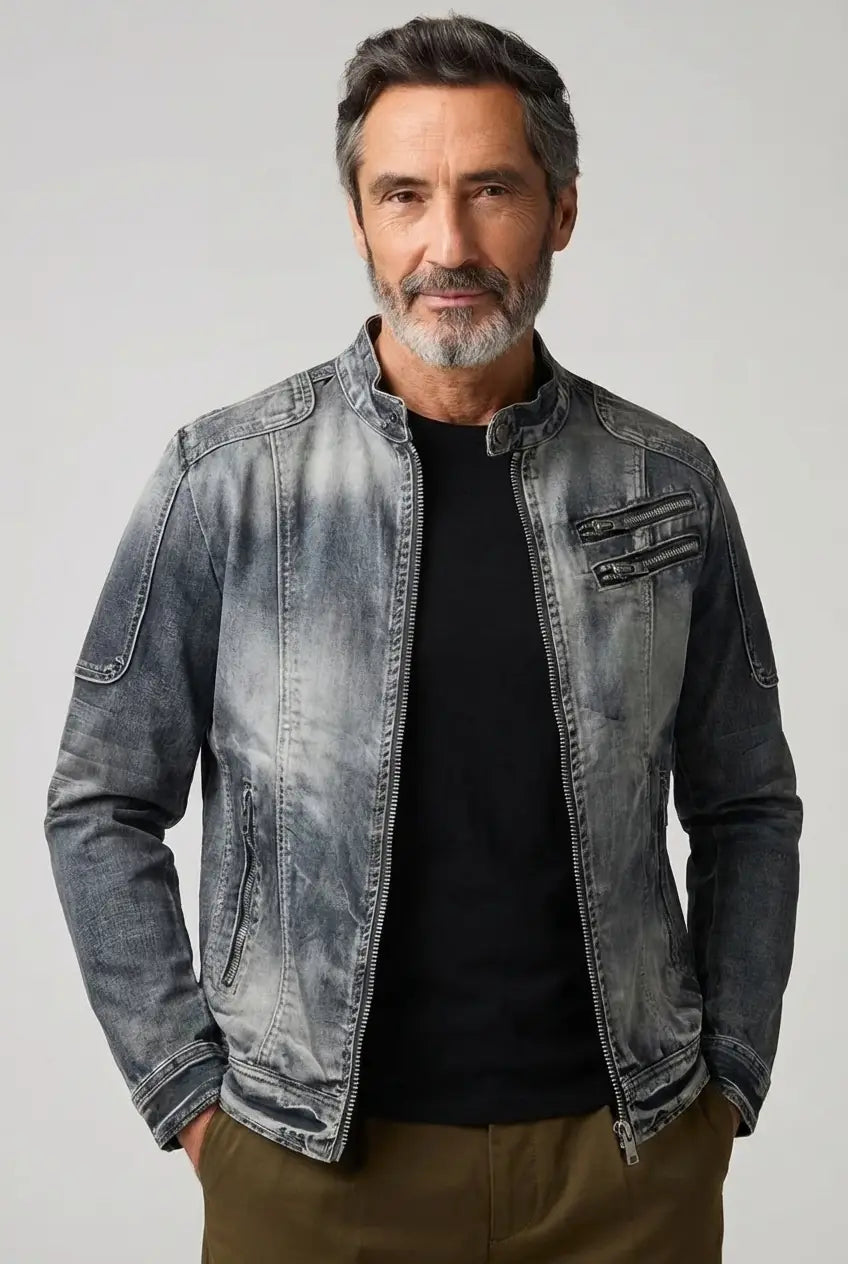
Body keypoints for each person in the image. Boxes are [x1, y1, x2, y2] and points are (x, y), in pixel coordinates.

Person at [43, 13, 802, 1263]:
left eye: (490, 190)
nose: (446, 244)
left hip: (626, 1171)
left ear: (560, 210)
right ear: (358, 220)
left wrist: (725, 1079)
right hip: (308, 1173)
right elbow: (100, 800)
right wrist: (192, 1102)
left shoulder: (665, 482)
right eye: (403, 195)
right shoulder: (227, 480)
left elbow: (746, 803)